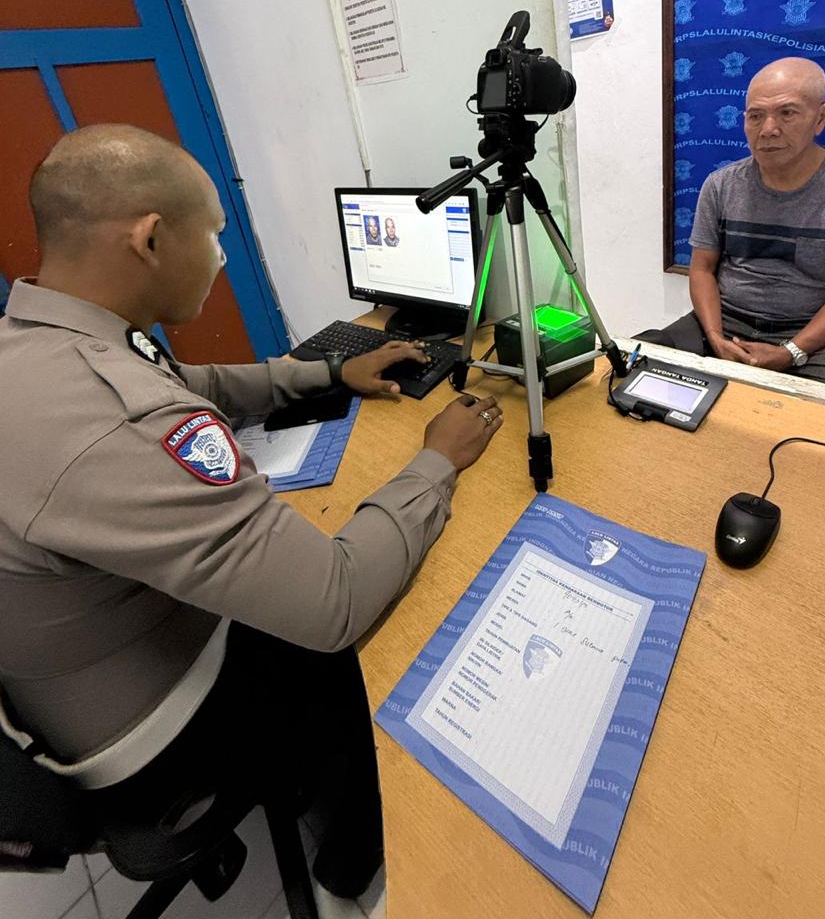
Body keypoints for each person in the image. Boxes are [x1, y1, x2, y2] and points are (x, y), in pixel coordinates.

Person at [0, 124, 504, 896]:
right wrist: (438, 459)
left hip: (55, 683)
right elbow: (335, 596)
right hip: (142, 731)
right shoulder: (119, 423)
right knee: (366, 630)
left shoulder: (41, 336)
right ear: (151, 239)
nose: (222, 257)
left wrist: (328, 371)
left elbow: (186, 383)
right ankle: (353, 859)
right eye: (214, 236)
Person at [641, 57, 825, 385]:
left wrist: (790, 352)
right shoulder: (720, 185)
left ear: (821, 118)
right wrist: (715, 338)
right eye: (755, 116)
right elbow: (702, 269)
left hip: (818, 337)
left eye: (787, 113)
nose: (768, 130)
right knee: (634, 366)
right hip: (725, 322)